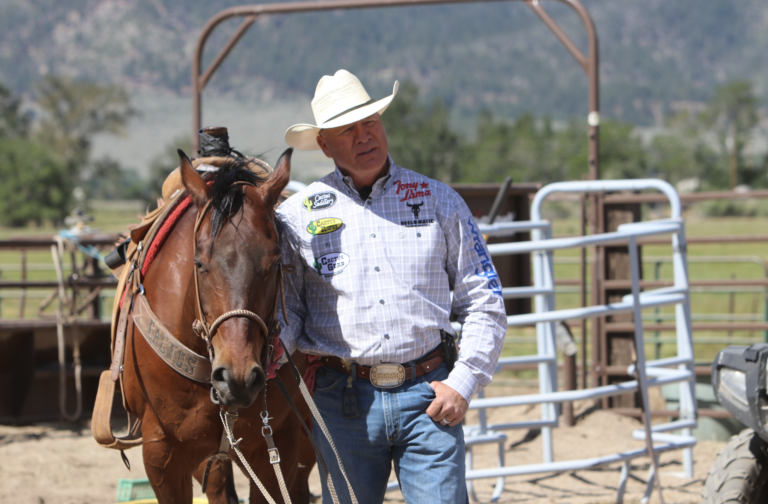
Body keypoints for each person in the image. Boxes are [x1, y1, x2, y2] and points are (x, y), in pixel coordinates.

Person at [276, 69, 507, 504]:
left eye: (370, 123)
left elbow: (485, 301)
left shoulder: (440, 201)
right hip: (340, 400)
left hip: (430, 394)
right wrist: (264, 353)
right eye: (348, 131)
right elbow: (289, 314)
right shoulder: (296, 218)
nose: (364, 137)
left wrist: (464, 382)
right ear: (324, 145)